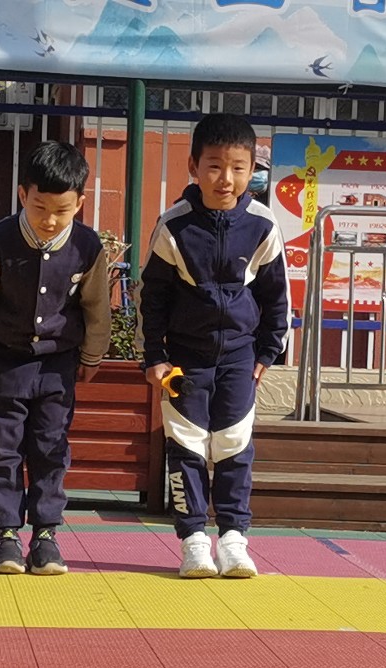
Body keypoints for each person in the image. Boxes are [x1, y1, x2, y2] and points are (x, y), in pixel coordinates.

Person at [139, 114, 290, 578]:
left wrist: (267, 352)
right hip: (185, 361)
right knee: (185, 446)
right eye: (215, 166)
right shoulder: (173, 226)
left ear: (252, 170)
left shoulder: (263, 225)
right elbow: (152, 297)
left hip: (241, 359)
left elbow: (276, 295)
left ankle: (234, 540)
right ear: (193, 166)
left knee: (234, 445)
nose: (226, 178)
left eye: (238, 168)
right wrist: (155, 357)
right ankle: (193, 542)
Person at [0, 140, 111, 575]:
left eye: (62, 210)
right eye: (40, 207)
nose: (49, 220)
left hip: (58, 364)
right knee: (3, 448)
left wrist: (93, 355)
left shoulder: (87, 246)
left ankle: (45, 535)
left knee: (50, 447)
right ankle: (5, 535)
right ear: (23, 194)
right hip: (4, 360)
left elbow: (97, 307)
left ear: (80, 203)